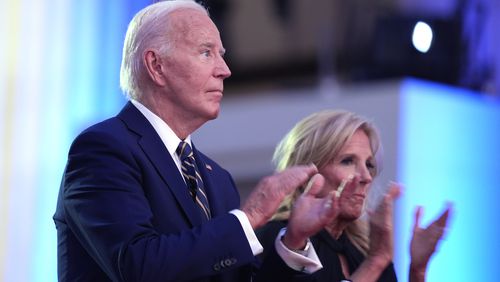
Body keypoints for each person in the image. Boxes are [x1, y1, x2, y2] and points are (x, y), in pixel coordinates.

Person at [52, 1, 329, 281]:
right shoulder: (104, 150)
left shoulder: (218, 179)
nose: (224, 70)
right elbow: (137, 266)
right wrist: (252, 214)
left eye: (221, 55)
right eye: (206, 53)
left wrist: (293, 240)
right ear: (156, 65)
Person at [254, 110, 452, 282]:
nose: (366, 177)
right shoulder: (282, 241)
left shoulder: (364, 248)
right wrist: (375, 262)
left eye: (369, 164)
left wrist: (417, 270)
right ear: (307, 175)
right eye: (348, 161)